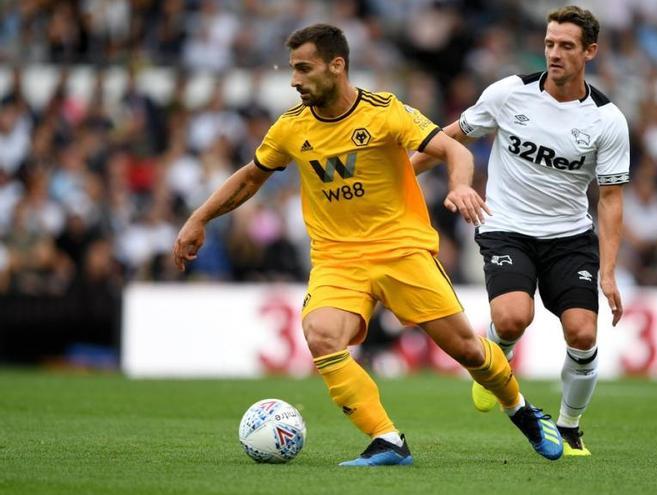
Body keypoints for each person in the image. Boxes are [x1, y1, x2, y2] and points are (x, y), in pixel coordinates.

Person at [172, 24, 563, 466]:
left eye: (304, 69)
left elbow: (455, 151)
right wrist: (199, 218)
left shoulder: (384, 111)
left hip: (401, 251)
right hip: (337, 260)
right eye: (292, 70)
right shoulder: (289, 129)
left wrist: (458, 186)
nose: (294, 80)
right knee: (321, 336)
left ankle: (522, 411)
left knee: (468, 350)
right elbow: (249, 177)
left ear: (337, 66)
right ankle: (388, 440)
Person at [411, 6, 629, 457]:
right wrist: (398, 179)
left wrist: (608, 272)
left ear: (590, 51)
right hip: (506, 226)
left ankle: (569, 428)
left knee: (583, 333)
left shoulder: (607, 121)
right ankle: (496, 357)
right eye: (550, 43)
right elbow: (448, 139)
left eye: (566, 46)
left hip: (569, 237)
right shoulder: (510, 94)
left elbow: (610, 199)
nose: (554, 53)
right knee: (512, 318)